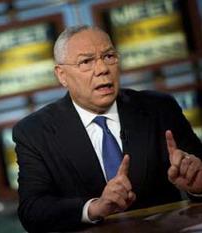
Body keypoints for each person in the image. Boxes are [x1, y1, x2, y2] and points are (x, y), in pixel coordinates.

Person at [12, 25, 202, 233]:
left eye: (109, 56)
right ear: (62, 75)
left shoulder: (159, 109)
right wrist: (94, 208)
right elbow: (32, 211)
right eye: (86, 61)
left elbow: (198, 172)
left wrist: (197, 186)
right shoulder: (34, 132)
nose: (102, 69)